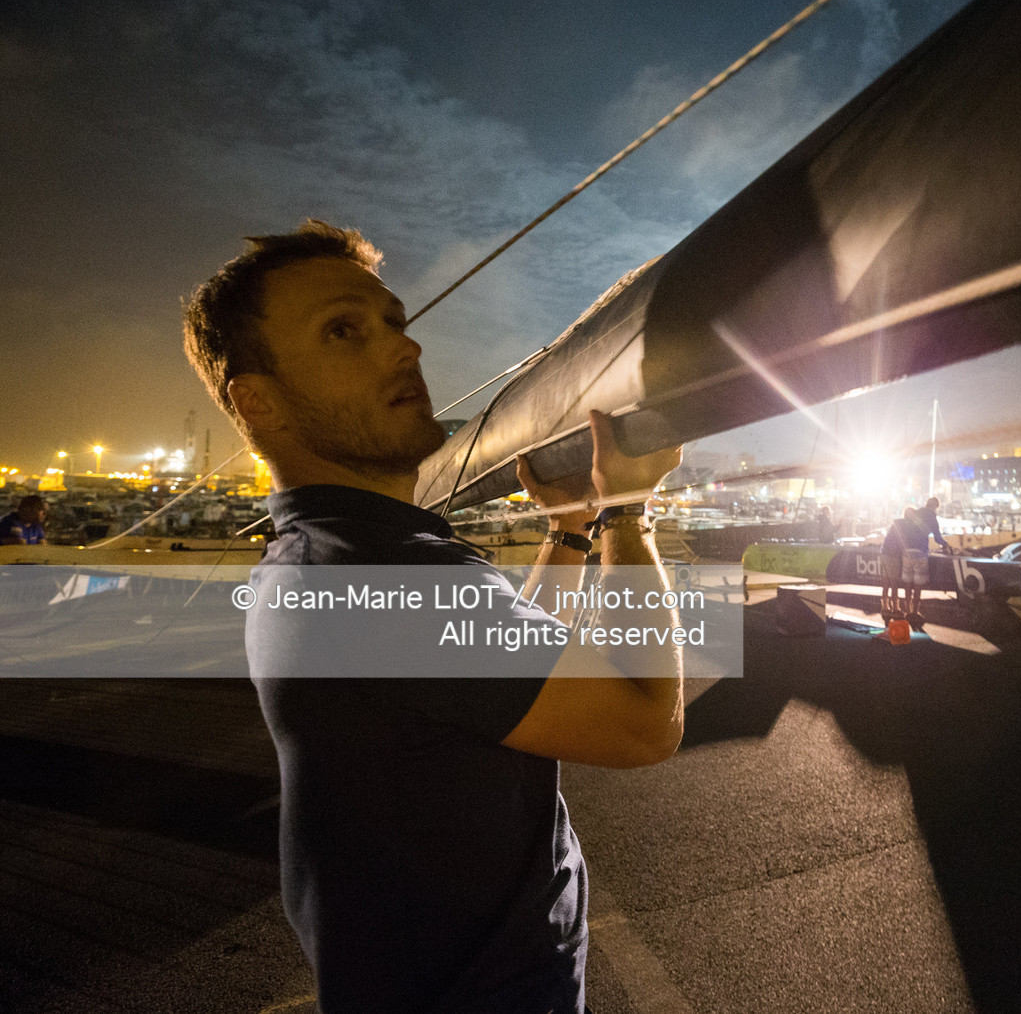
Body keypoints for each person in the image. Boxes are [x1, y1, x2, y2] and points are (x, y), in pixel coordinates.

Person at [183, 219, 683, 1014]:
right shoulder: (379, 578)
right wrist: (627, 509)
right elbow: (642, 721)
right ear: (259, 402)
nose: (404, 349)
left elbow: (508, 670)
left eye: (393, 323)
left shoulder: (324, 553)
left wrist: (569, 531)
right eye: (343, 330)